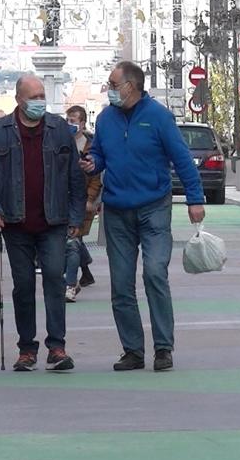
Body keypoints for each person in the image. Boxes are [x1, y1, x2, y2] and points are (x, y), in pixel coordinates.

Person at [80, 61, 205, 372]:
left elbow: (181, 158)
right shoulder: (106, 118)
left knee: (154, 273)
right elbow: (100, 154)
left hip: (154, 207)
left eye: (112, 83)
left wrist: (195, 198)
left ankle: (163, 348)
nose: (108, 89)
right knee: (121, 285)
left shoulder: (159, 116)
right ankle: (132, 350)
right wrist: (92, 163)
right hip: (117, 211)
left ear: (130, 87)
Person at [0, 74, 87, 373]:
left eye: (41, 96)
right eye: (33, 97)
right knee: (23, 286)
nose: (40, 101)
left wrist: (77, 217)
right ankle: (27, 349)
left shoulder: (58, 130)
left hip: (53, 221)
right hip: (15, 223)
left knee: (54, 278)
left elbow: (74, 177)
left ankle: (57, 347)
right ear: (18, 100)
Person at [64, 105, 102, 303]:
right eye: (68, 120)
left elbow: (96, 177)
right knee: (73, 241)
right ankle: (85, 271)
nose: (70, 124)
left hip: (82, 200)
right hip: (63, 200)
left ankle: (70, 284)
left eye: (74, 121)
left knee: (73, 241)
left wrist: (90, 199)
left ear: (82, 123)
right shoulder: (61, 142)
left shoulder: (90, 146)